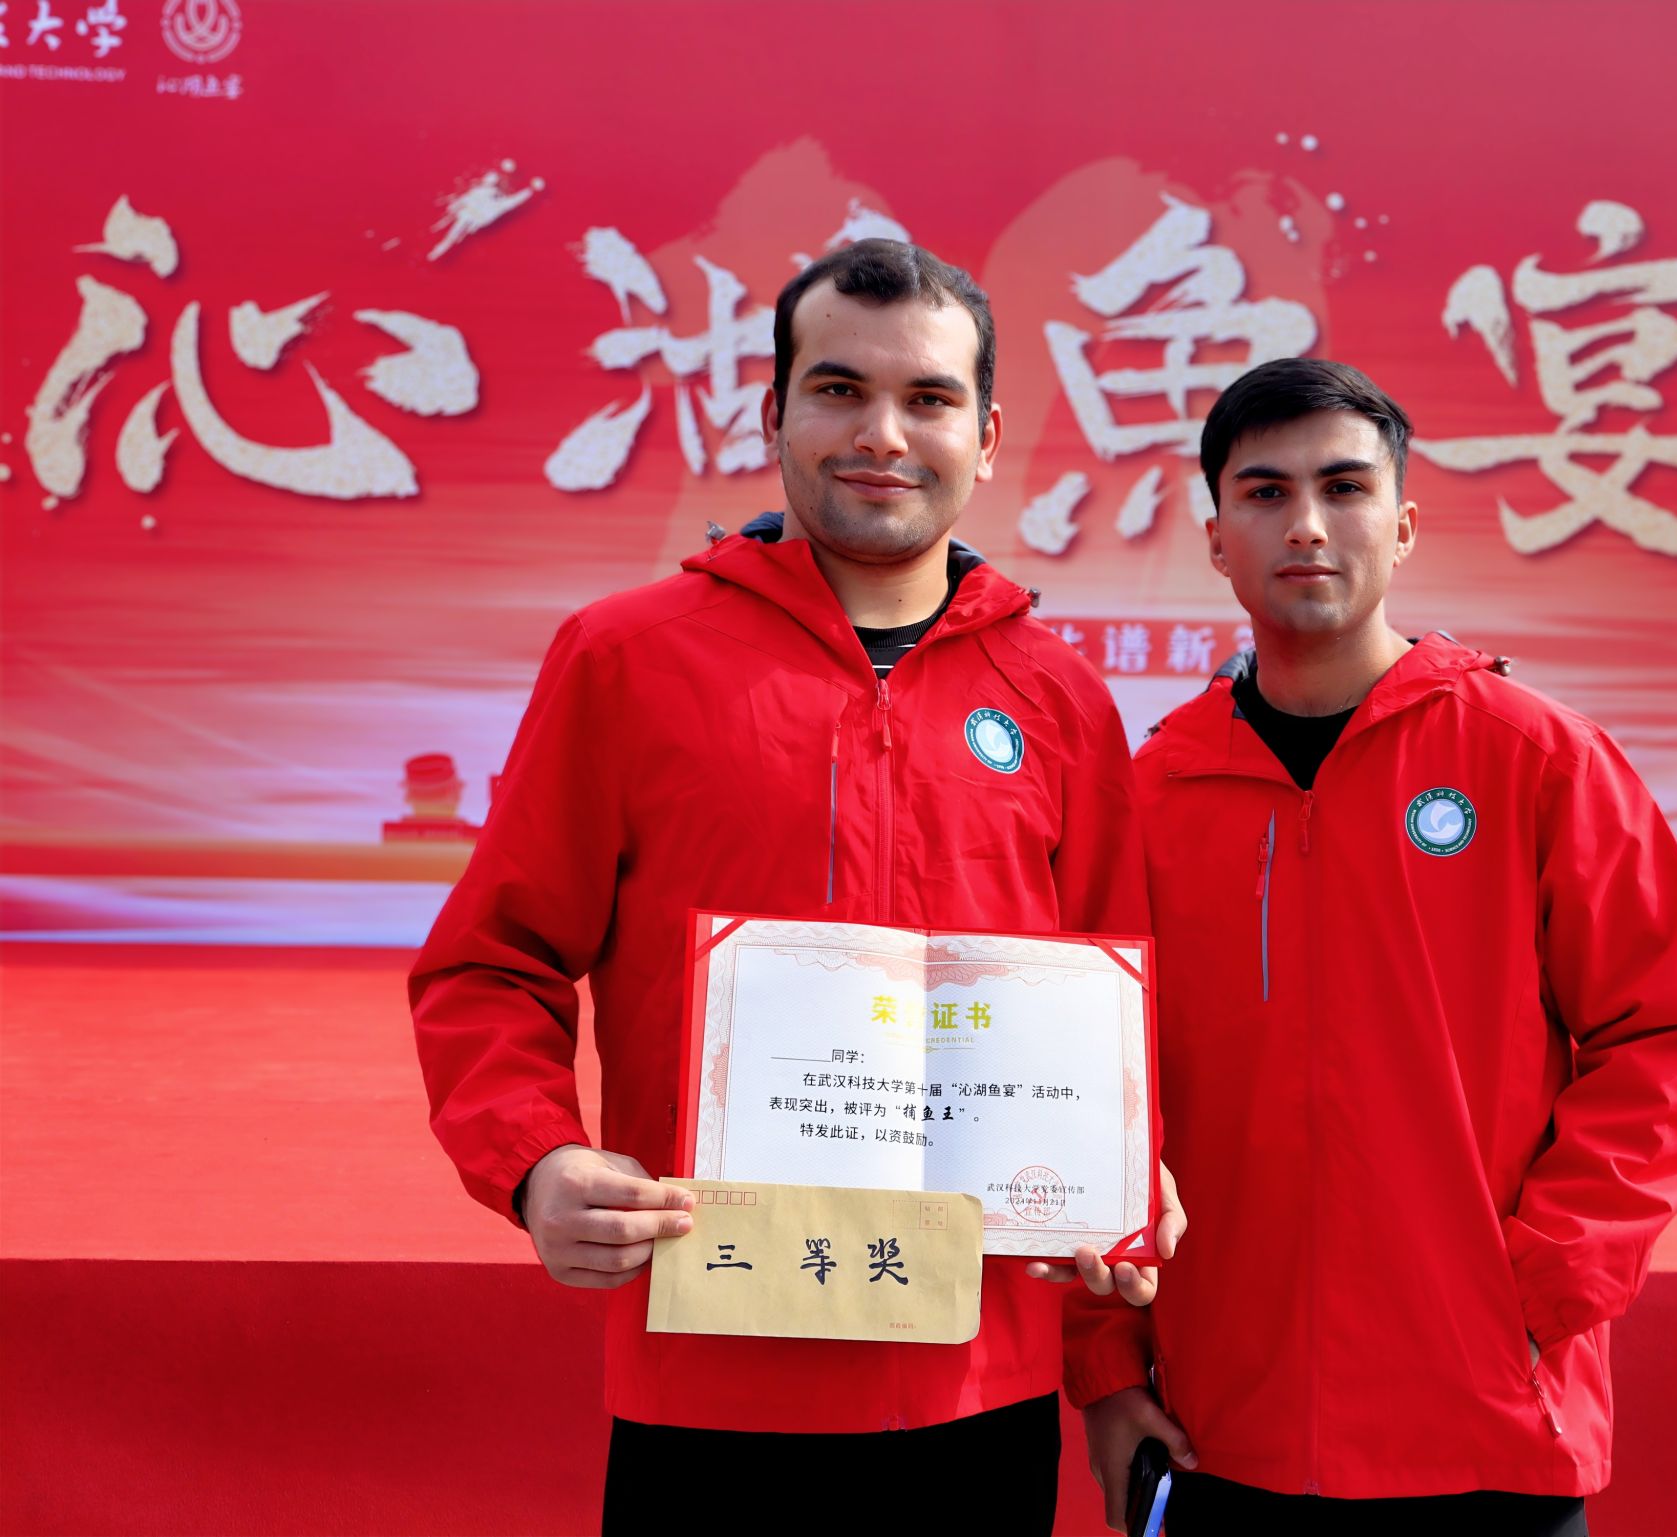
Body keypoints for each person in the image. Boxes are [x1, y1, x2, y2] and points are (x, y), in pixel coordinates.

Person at [411, 239, 1172, 1535]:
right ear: (773, 414)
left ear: (987, 438)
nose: (882, 434)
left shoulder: (1059, 700)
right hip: (712, 1380)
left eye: (928, 399)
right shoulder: (626, 659)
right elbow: (493, 960)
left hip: (976, 1387)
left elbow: (1113, 1031)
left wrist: (1112, 1293)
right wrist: (536, 1159)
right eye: (838, 390)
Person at [1067, 357, 1677, 1534]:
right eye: (1265, 493)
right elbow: (1089, 1090)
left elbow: (1664, 1032)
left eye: (1343, 488)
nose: (1306, 525)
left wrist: (1545, 1279)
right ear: (1215, 537)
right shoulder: (1151, 795)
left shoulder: (1534, 759)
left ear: (1404, 523)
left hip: (1485, 1420)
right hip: (1227, 1425)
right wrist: (1111, 1369)